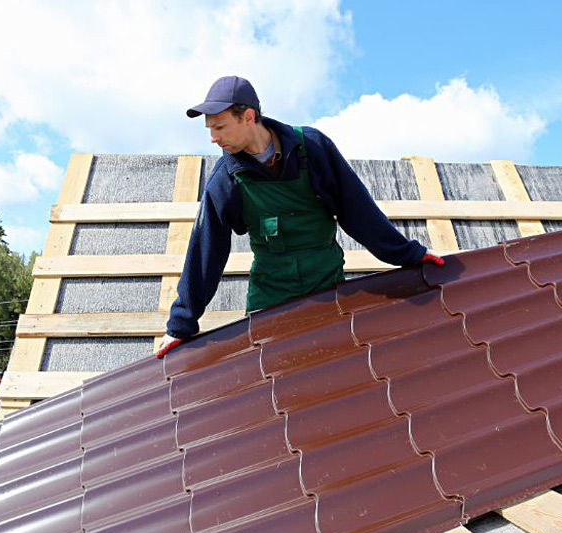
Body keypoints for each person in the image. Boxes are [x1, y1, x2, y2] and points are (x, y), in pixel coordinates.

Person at [155, 75, 443, 357]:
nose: (213, 138)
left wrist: (409, 254)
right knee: (268, 379)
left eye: (220, 127)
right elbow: (207, 249)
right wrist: (181, 325)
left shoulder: (313, 148)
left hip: (327, 286)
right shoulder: (226, 178)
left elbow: (358, 210)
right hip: (270, 296)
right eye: (209, 129)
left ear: (248, 117)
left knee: (333, 369)